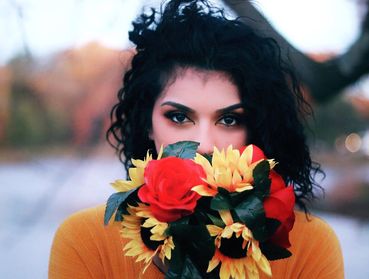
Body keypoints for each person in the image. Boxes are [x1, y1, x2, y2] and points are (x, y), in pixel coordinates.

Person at [49, 0, 344, 278]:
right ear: (147, 125)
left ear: (255, 128)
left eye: (229, 120)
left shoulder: (310, 246)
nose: (203, 144)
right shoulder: (86, 241)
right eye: (179, 117)